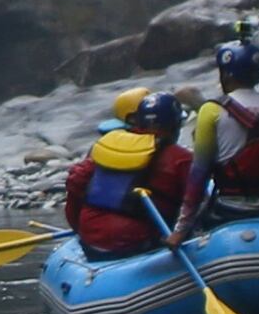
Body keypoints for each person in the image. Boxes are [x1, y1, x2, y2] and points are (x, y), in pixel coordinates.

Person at [61, 90, 199, 261]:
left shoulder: (109, 146)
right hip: (135, 244)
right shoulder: (181, 159)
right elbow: (197, 203)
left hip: (90, 243)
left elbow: (76, 187)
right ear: (174, 125)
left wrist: (80, 229)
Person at [184, 40, 259, 224]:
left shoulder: (210, 111)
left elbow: (199, 171)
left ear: (225, 74)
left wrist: (182, 227)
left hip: (233, 209)